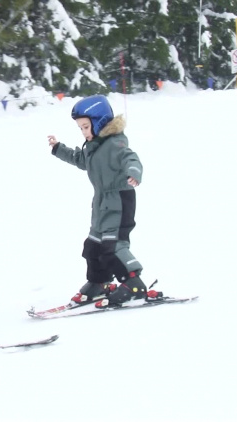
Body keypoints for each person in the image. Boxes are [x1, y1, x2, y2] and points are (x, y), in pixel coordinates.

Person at [47, 95, 148, 309]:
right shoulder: (94, 146)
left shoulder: (115, 143)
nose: (83, 132)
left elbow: (131, 158)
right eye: (80, 128)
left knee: (113, 245)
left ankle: (134, 284)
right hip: (101, 201)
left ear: (100, 122)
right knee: (93, 245)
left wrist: (134, 173)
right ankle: (98, 282)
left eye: (86, 126)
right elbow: (81, 160)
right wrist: (59, 149)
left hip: (119, 199)